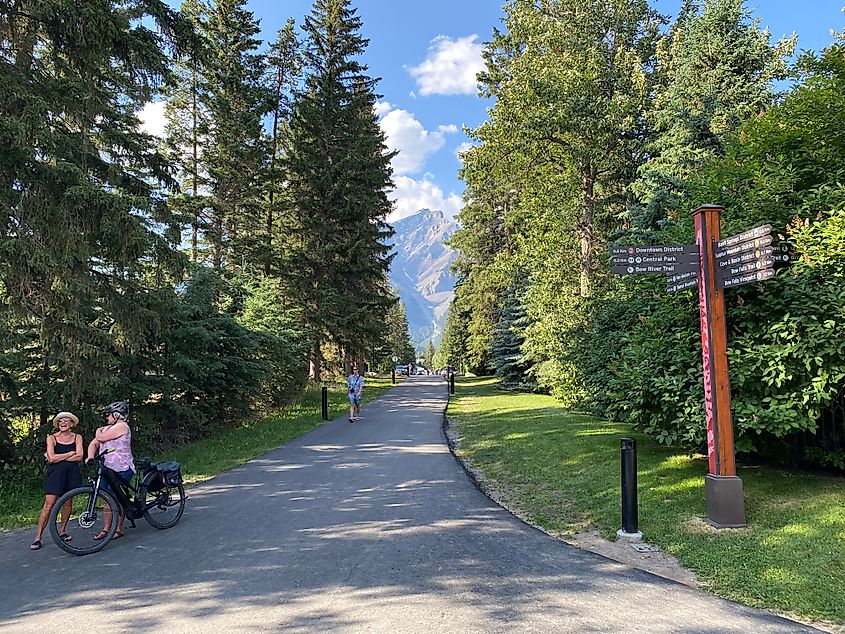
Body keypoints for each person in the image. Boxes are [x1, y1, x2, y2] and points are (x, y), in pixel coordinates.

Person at [31, 412, 84, 550]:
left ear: (71, 424)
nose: (63, 423)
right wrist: (69, 454)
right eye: (60, 421)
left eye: (66, 421)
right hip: (55, 474)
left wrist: (60, 457)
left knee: (67, 503)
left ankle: (62, 531)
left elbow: (79, 457)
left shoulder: (77, 437)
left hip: (71, 474)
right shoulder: (51, 438)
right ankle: (38, 537)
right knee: (49, 504)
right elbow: (51, 458)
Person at [86, 401, 135, 540]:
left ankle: (118, 528)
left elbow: (99, 438)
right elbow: (94, 443)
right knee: (105, 499)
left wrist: (98, 431)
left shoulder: (122, 427)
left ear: (116, 415)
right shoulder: (106, 428)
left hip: (122, 468)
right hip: (107, 468)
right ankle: (106, 529)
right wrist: (90, 456)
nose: (107, 418)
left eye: (108, 415)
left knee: (117, 497)